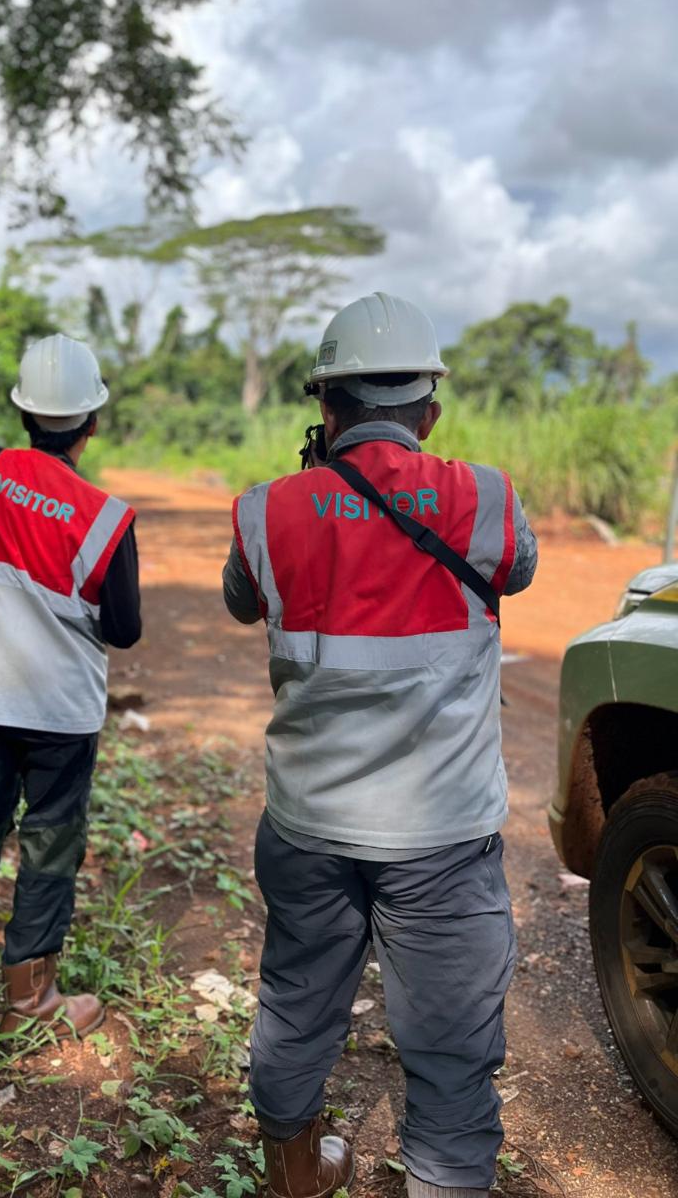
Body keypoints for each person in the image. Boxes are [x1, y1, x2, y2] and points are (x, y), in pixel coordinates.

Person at [222, 292, 538, 1198]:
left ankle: (295, 1174)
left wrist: (318, 494)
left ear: (326, 409)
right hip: (442, 838)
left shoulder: (266, 511)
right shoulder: (486, 500)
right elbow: (517, 570)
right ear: (429, 411)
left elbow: (244, 601)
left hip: (309, 826)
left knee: (296, 1007)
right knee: (449, 1048)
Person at [0, 333, 141, 1036]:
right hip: (60, 713)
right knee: (50, 839)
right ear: (93, 423)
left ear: (22, 414)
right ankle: (30, 998)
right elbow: (125, 629)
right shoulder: (107, 520)